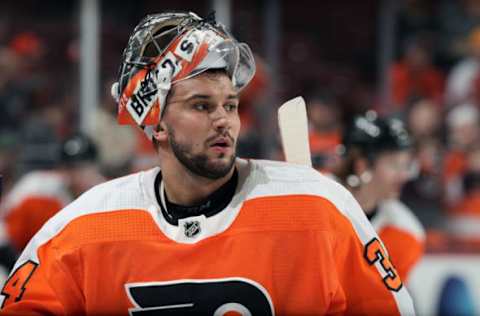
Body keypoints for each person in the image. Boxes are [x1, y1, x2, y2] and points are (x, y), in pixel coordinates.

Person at [0, 11, 415, 315]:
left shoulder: (320, 207)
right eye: (201, 105)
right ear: (157, 125)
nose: (224, 120)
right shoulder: (85, 227)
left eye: (230, 105)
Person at [335, 111, 425, 282]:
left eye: (405, 165)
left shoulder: (406, 232)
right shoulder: (315, 203)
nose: (403, 175)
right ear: (362, 165)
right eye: (394, 164)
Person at [0, 133, 104, 252]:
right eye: (70, 167)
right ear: (61, 169)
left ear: (96, 167)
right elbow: (5, 236)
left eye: (83, 167)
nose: (76, 174)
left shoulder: (109, 196)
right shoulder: (39, 190)